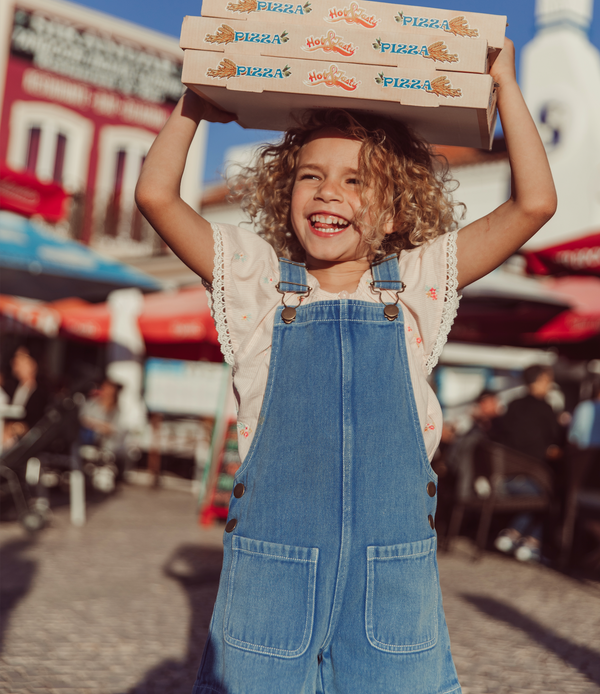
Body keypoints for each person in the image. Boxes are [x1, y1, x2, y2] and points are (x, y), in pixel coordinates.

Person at [136, 37, 556, 694]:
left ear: (393, 211)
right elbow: (157, 196)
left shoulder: (419, 282)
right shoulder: (256, 282)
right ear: (285, 191)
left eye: (356, 179)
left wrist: (504, 82)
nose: (329, 190)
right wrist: (193, 104)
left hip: (389, 577)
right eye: (311, 174)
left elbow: (534, 204)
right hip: (271, 576)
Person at [492, 365, 561, 562]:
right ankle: (523, 539)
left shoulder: (512, 405)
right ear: (539, 380)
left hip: (503, 477)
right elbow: (555, 443)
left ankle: (521, 538)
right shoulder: (546, 409)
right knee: (546, 497)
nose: (550, 385)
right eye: (548, 380)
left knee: (541, 493)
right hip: (529, 479)